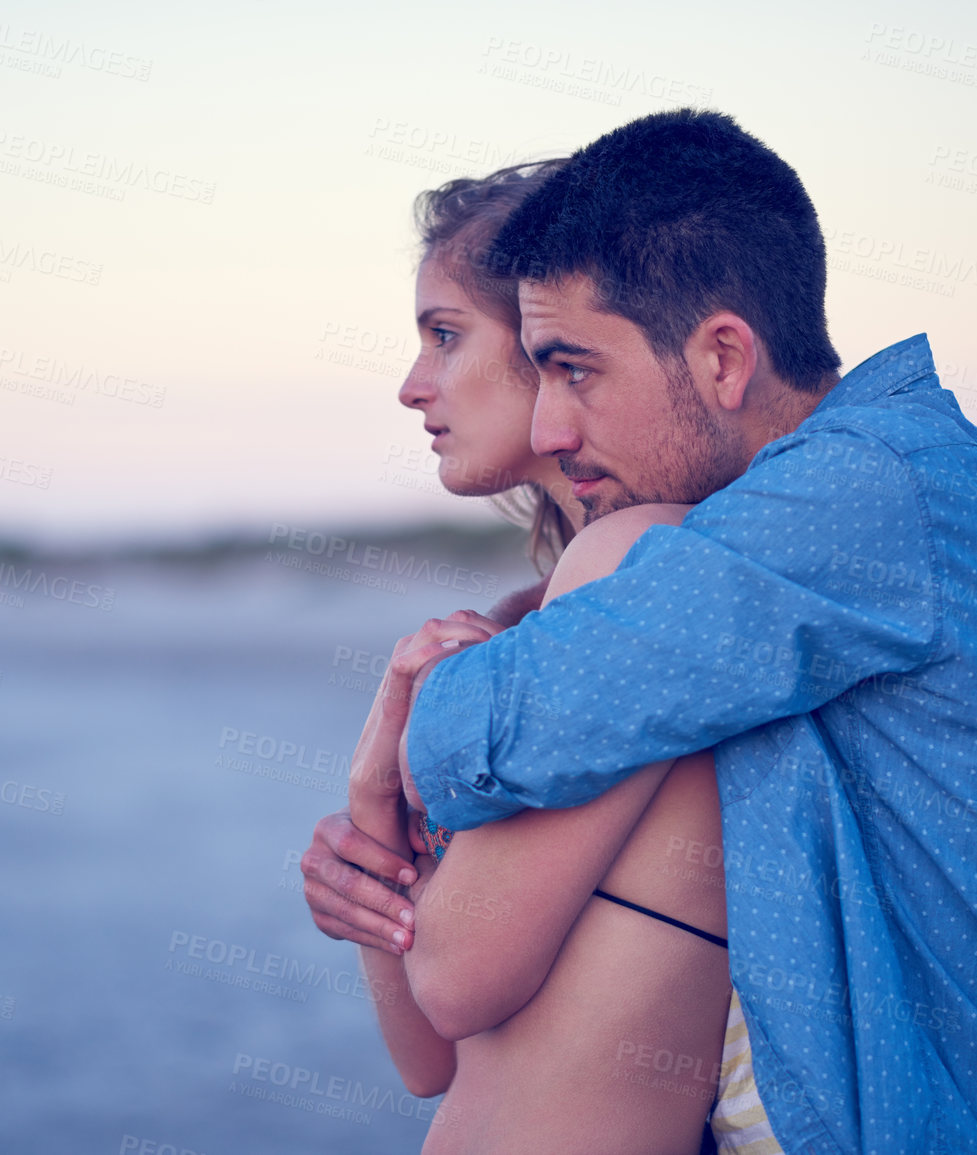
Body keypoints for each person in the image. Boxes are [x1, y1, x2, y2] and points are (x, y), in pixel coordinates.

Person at [344, 109, 977, 1154]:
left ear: (723, 358)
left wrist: (394, 746)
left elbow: (499, 728)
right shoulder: (799, 532)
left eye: (574, 368)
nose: (549, 425)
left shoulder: (873, 485)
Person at [311, 162, 736, 1153]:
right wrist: (376, 809)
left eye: (446, 334)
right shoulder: (537, 618)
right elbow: (428, 1061)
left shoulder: (636, 568)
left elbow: (456, 982)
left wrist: (382, 782)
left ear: (553, 347)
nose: (415, 384)